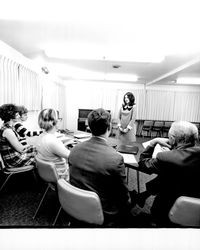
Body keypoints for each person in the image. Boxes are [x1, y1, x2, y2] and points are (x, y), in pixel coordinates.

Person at [69, 108, 135, 227]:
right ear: (109, 128)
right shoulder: (116, 159)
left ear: (89, 127)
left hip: (74, 205)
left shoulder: (73, 150)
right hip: (104, 212)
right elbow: (124, 198)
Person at [133, 121, 200, 226]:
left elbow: (143, 163)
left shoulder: (166, 158)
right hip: (196, 203)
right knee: (171, 174)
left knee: (167, 175)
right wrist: (174, 151)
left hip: (169, 209)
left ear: (172, 139)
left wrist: (153, 142)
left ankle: (144, 198)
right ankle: (144, 195)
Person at [36, 108, 71, 180]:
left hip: (49, 173)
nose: (60, 121)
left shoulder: (41, 136)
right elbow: (71, 157)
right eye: (59, 119)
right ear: (54, 121)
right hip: (61, 176)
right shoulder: (52, 141)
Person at [0, 104, 36, 169]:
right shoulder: (8, 131)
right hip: (13, 160)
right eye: (17, 114)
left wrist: (32, 147)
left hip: (15, 156)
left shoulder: (7, 127)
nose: (19, 116)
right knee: (39, 157)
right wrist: (31, 146)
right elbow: (20, 149)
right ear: (11, 115)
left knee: (35, 149)